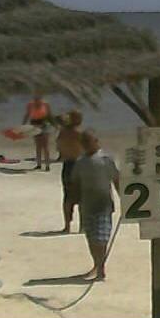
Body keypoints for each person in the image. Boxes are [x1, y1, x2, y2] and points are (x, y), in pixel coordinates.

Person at [71, 130, 119, 281]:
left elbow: (116, 180)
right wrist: (74, 203)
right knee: (91, 238)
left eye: (89, 141)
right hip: (86, 204)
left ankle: (100, 267)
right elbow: (75, 183)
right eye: (84, 142)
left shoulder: (106, 159)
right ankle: (97, 264)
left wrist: (124, 199)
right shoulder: (80, 162)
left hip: (104, 204)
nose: (86, 145)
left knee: (101, 237)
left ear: (96, 141)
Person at [56, 110, 84, 233]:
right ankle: (82, 226)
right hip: (78, 164)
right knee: (82, 197)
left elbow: (59, 148)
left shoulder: (62, 133)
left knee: (68, 196)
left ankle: (67, 226)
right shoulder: (79, 133)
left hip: (67, 164)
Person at [22, 93, 53, 171]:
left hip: (44, 124)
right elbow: (27, 115)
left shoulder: (46, 104)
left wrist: (55, 125)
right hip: (34, 124)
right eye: (35, 99)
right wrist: (23, 125)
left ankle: (47, 165)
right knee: (38, 145)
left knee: (45, 146)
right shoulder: (30, 105)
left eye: (38, 99)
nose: (37, 100)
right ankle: (39, 164)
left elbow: (50, 115)